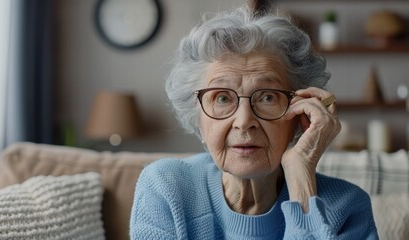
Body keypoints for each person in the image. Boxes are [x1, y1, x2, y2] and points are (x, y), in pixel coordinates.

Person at [130, 5, 378, 239]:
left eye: (268, 97)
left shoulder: (346, 207)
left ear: (301, 113)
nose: (244, 121)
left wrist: (302, 185)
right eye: (223, 98)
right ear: (198, 117)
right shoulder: (166, 188)